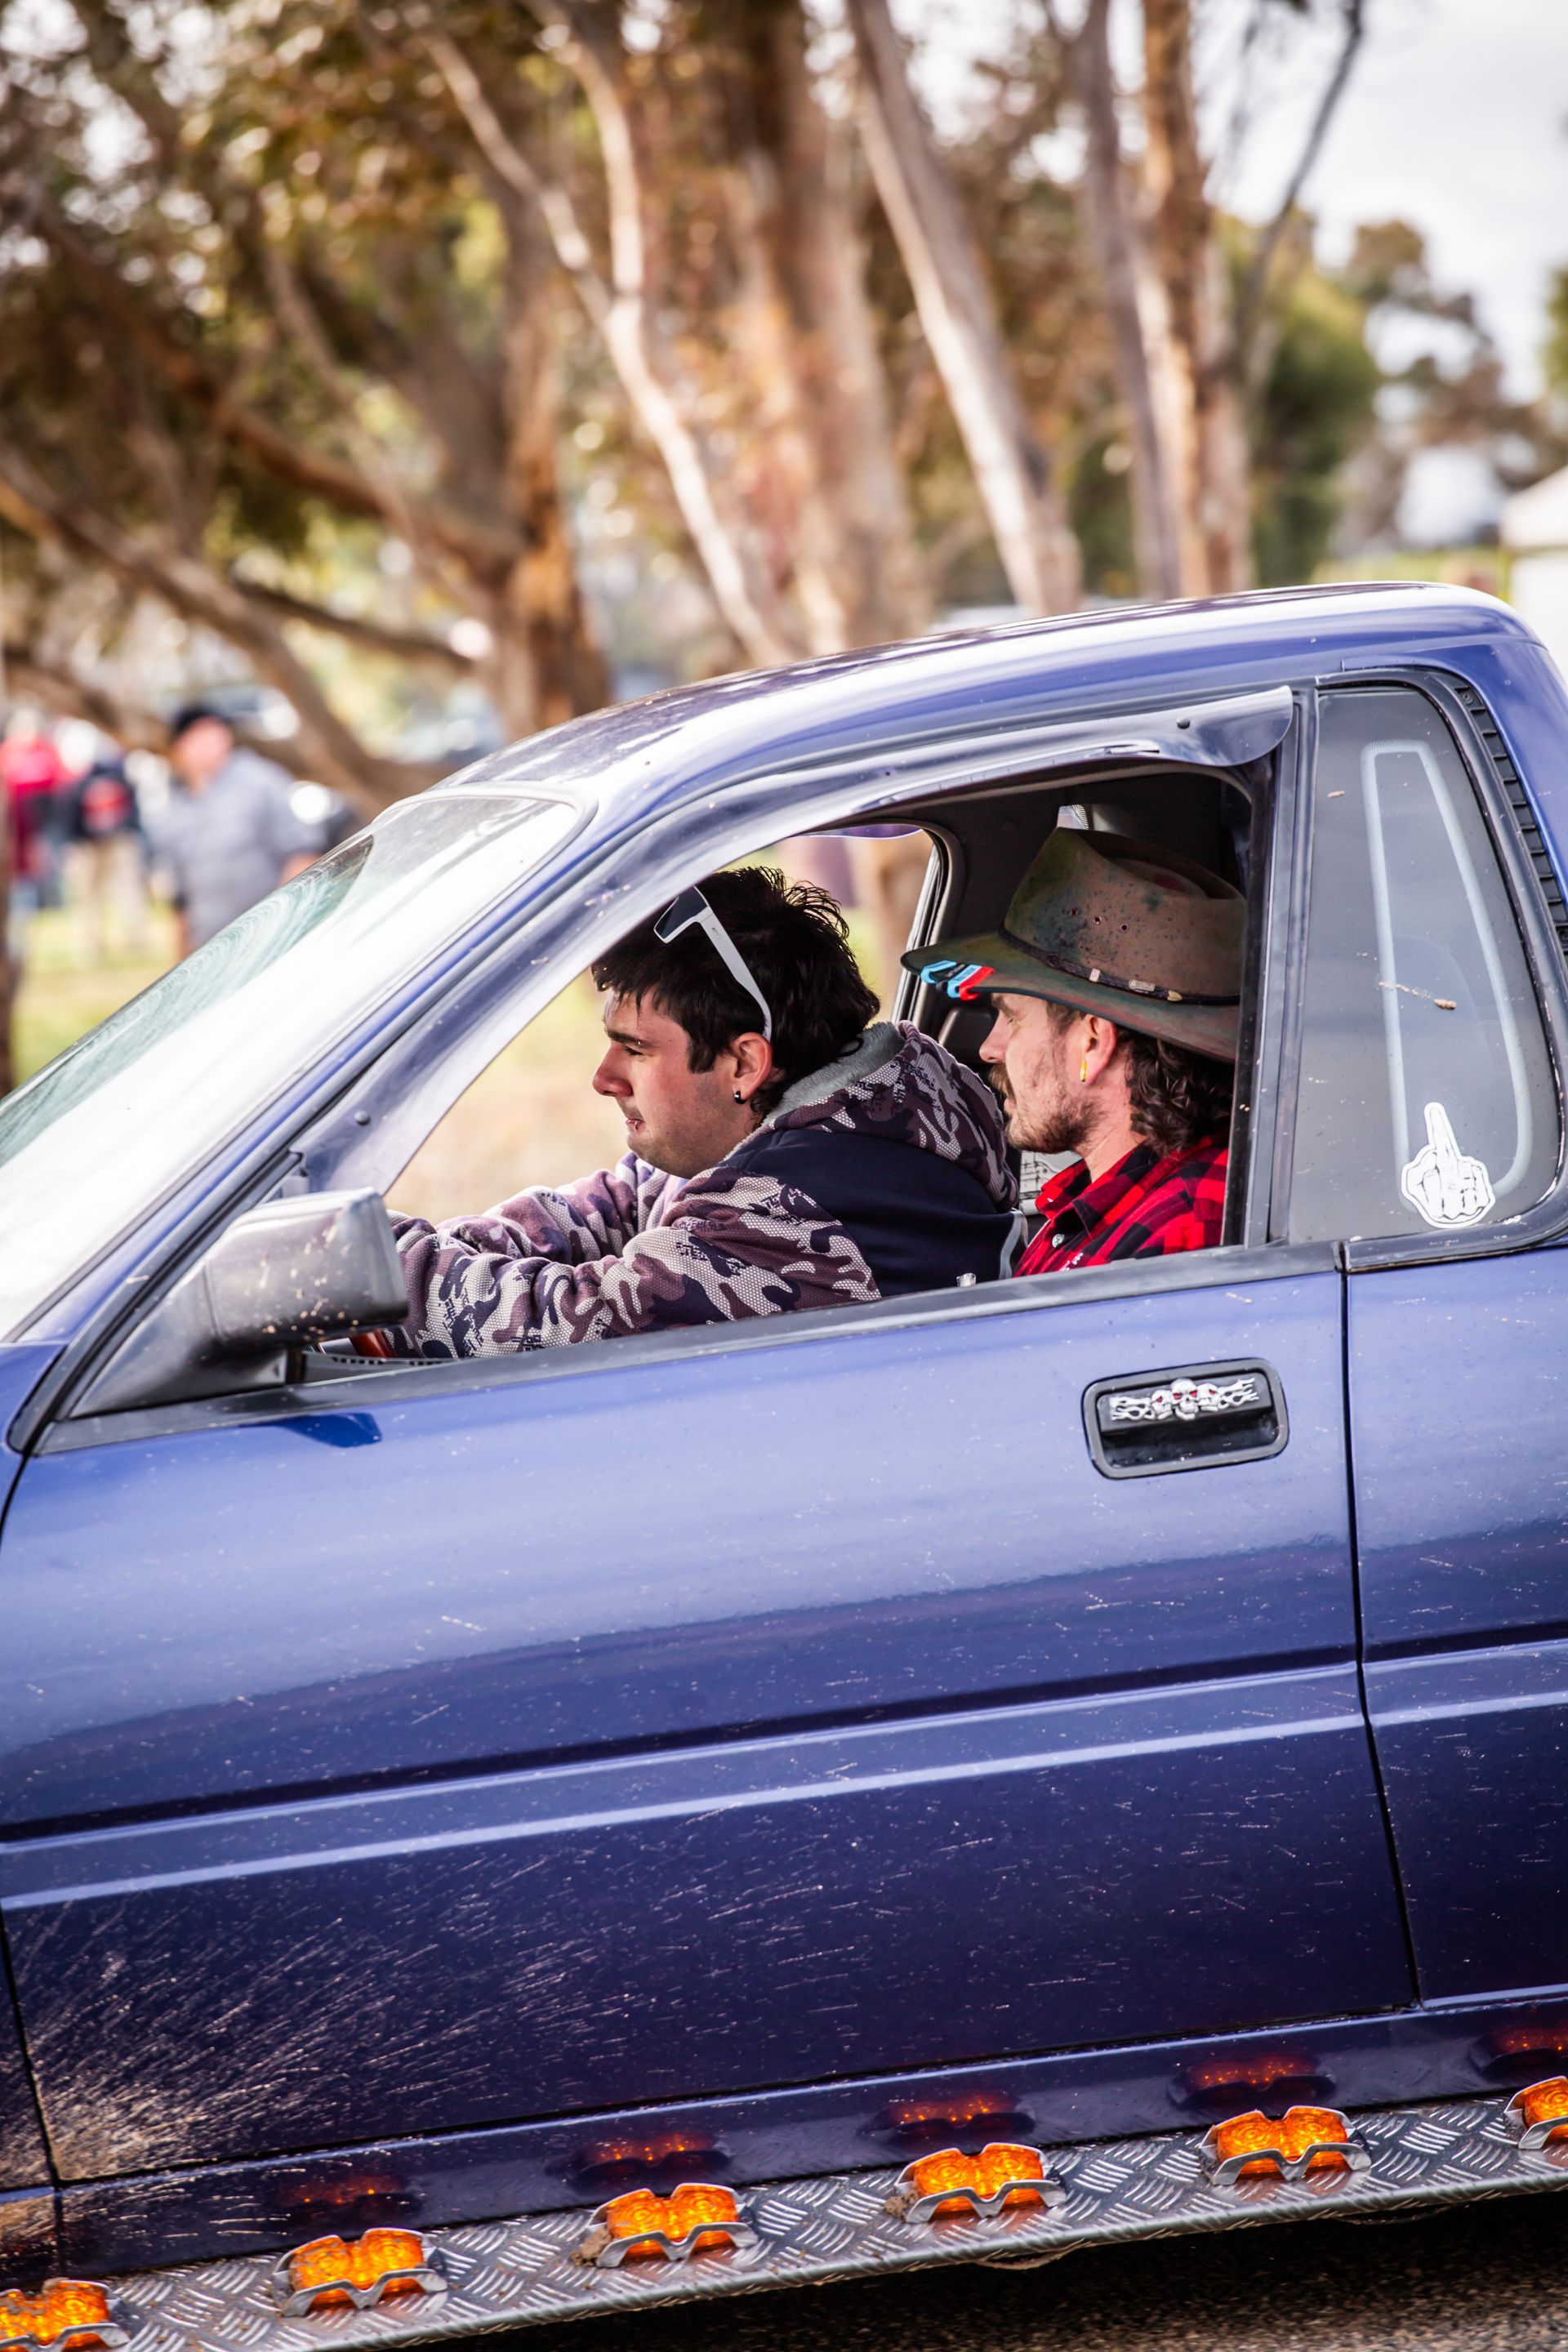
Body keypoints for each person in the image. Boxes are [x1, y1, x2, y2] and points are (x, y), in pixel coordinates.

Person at [390, 865, 1018, 1356]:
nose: (603, 1079)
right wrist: (446, 1246)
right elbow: (614, 1204)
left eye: (635, 1050)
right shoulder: (890, 1090)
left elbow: (562, 1323)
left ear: (744, 1064)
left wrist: (378, 1265)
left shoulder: (791, 1210)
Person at [904, 826, 1241, 1271]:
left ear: (1093, 1042)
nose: (990, 1048)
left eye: (1012, 1017)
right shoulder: (1101, 1201)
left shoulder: (1177, 1237)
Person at [154, 704, 318, 955]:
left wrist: (285, 919)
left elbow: (302, 853)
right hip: (211, 949)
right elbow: (179, 899)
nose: (208, 744)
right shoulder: (172, 809)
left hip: (272, 937)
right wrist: (180, 958)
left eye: (214, 733)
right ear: (179, 748)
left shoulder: (261, 781)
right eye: (197, 736)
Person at [60, 742, 148, 962]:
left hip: (111, 843)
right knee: (96, 896)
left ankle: (127, 939)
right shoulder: (88, 783)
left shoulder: (91, 783)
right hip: (94, 845)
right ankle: (100, 942)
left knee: (120, 893)